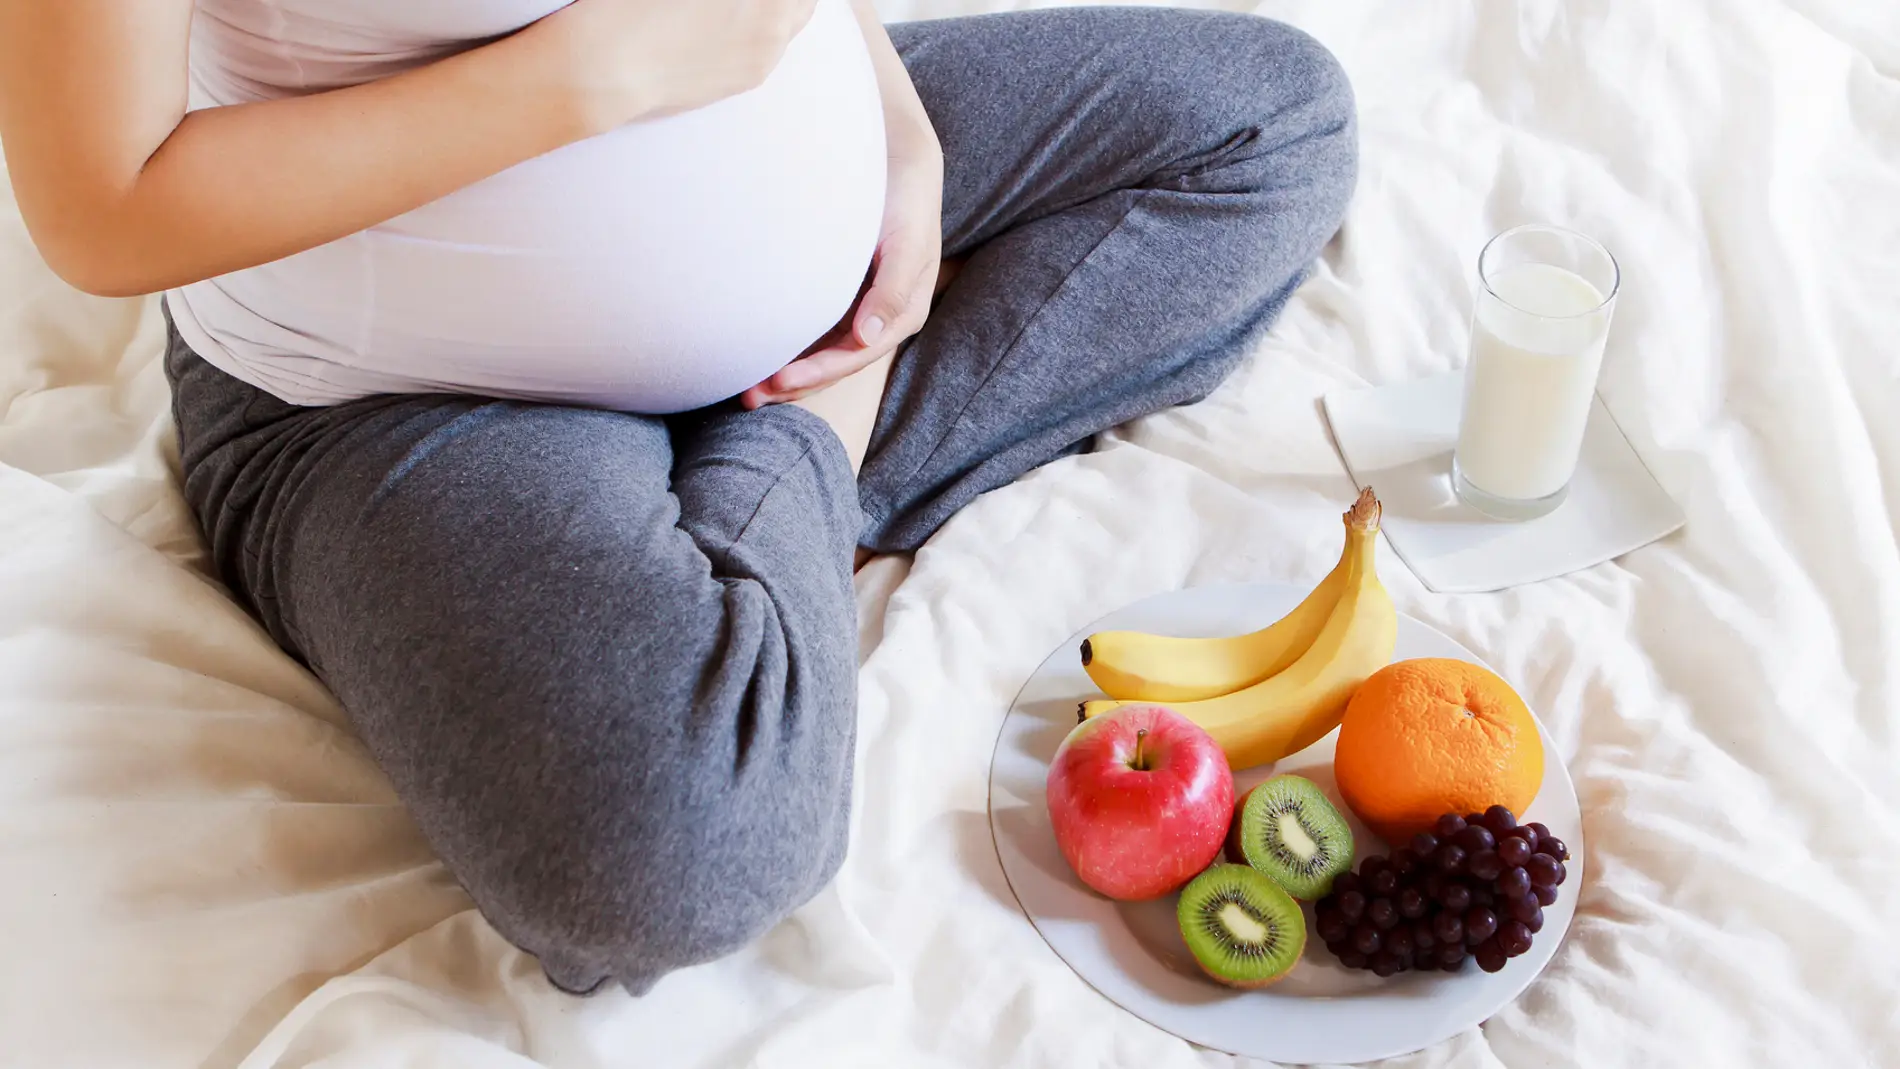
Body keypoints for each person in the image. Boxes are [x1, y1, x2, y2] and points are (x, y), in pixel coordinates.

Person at [0, 0, 1356, 995]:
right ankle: (815, 427)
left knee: (1265, 121)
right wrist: (588, 74)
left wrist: (895, 133)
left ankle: (742, 471)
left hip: (789, 174)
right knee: (676, 851)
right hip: (398, 384)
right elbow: (101, 209)